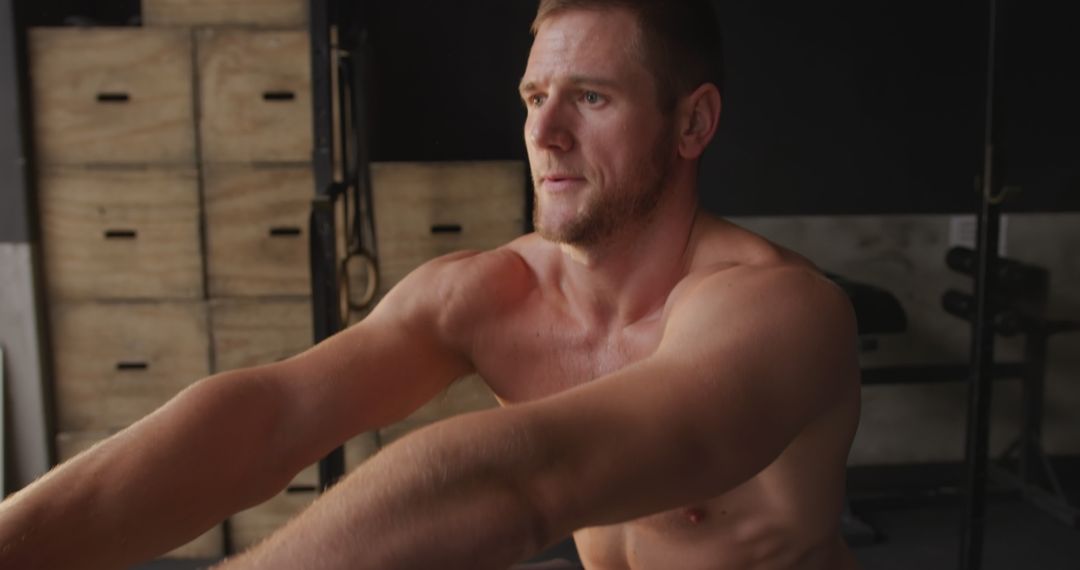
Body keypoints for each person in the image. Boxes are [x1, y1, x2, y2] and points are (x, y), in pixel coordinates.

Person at [0, 1, 862, 568]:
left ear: (694, 122)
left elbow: (525, 476)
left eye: (591, 99)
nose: (546, 134)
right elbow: (265, 419)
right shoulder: (488, 295)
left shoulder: (781, 313)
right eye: (534, 96)